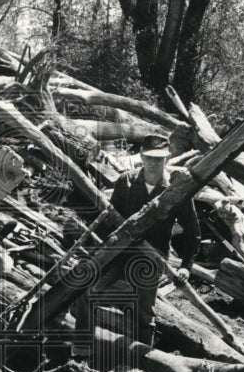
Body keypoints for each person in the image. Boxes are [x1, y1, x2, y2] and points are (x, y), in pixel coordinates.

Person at [73, 138, 201, 348]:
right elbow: (109, 222)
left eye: (159, 159)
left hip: (152, 258)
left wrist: (186, 266)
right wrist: (98, 253)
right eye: (149, 158)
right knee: (87, 292)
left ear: (167, 158)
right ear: (141, 156)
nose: (153, 163)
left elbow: (193, 232)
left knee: (143, 312)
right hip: (119, 253)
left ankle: (142, 359)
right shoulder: (126, 181)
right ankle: (80, 350)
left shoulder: (177, 190)